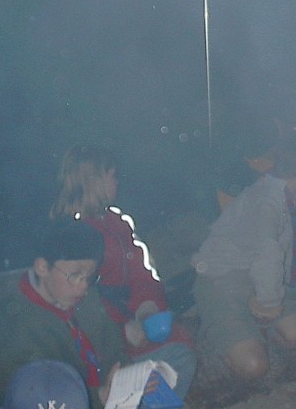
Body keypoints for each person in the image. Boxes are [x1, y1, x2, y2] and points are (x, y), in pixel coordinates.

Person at [0, 220, 194, 409]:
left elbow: (113, 351)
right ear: (42, 267)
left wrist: (133, 377)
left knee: (178, 358)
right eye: (74, 275)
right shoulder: (14, 329)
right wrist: (100, 398)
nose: (83, 286)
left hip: (108, 402)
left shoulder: (83, 297)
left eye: (89, 277)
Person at [192, 134, 296, 381]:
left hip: (263, 281)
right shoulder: (267, 202)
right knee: (253, 367)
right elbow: (268, 257)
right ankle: (218, 336)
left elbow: (292, 257)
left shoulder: (284, 197)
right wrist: (269, 304)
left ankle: (257, 334)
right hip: (223, 282)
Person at [49, 144, 194, 361]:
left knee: (183, 342)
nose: (117, 182)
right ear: (94, 180)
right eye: (112, 176)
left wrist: (147, 308)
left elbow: (143, 274)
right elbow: (77, 305)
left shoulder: (118, 222)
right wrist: (121, 331)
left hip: (134, 320)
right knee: (176, 356)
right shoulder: (70, 235)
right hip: (102, 339)